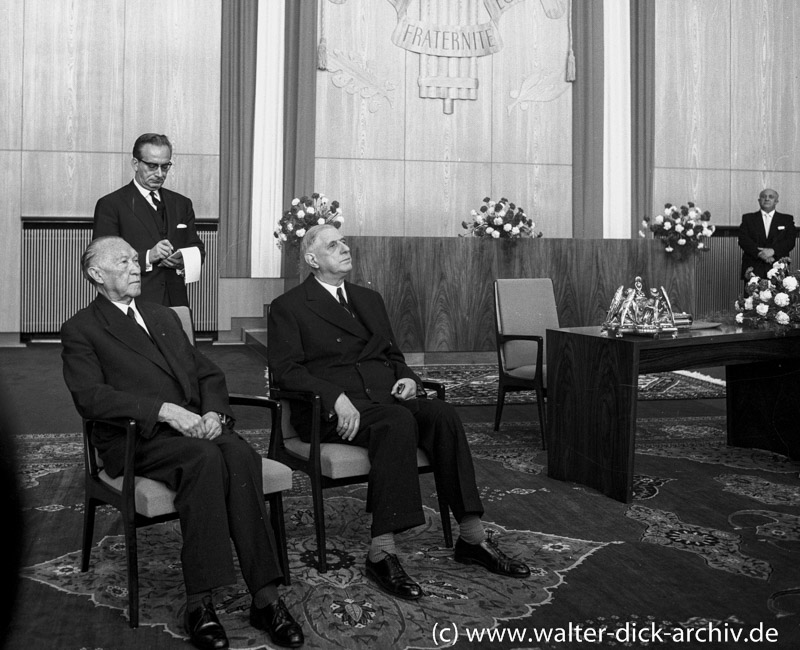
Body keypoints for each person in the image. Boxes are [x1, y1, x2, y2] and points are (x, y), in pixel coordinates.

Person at [61, 237, 303, 650]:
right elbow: (91, 398)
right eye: (124, 262)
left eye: (137, 261)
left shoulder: (162, 316)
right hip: (137, 437)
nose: (137, 267)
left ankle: (265, 597)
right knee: (205, 459)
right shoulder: (82, 329)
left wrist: (214, 413)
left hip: (194, 425)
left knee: (240, 453)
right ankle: (199, 603)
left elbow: (207, 373)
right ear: (96, 275)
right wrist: (167, 411)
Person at [267, 224, 530, 601]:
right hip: (331, 412)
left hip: (383, 399)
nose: (345, 248)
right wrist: (334, 397)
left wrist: (406, 377)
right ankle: (382, 551)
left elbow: (392, 355)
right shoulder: (289, 306)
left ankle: (472, 538)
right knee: (397, 420)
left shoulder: (368, 299)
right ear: (312, 259)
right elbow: (287, 370)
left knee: (442, 414)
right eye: (333, 244)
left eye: (344, 242)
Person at [93, 133, 204, 307]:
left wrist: (183, 259)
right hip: (133, 303)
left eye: (165, 167)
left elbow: (197, 248)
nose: (159, 174)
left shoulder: (182, 204)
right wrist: (147, 257)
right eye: (152, 166)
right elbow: (104, 261)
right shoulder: (111, 205)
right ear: (135, 164)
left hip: (176, 301)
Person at [738, 188, 796, 280]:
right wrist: (760, 253)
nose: (767, 199)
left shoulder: (787, 219)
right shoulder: (748, 218)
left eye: (771, 197)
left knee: (779, 294)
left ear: (776, 201)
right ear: (759, 200)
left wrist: (773, 251)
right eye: (763, 197)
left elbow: (790, 241)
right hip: (753, 267)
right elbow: (743, 240)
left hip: (778, 267)